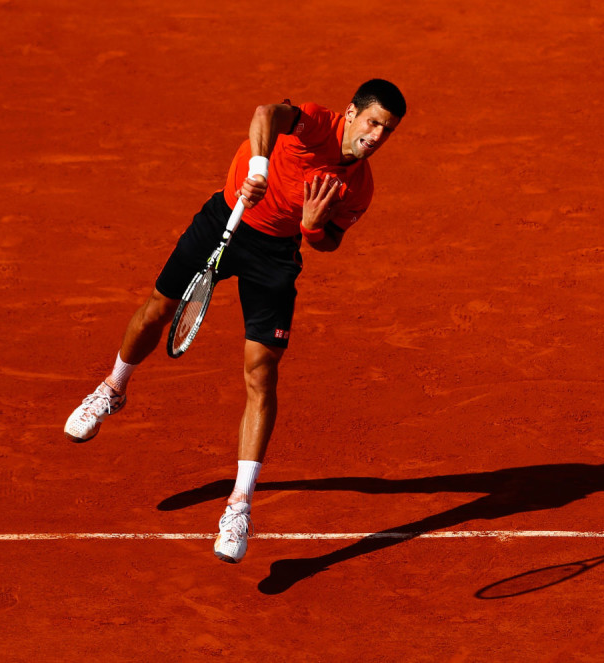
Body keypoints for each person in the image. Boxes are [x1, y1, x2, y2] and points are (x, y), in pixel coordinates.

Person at [64, 79, 406, 563]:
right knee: (157, 310)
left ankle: (239, 505)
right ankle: (112, 390)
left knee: (261, 372)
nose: (376, 135)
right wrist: (261, 166)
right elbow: (266, 113)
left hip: (276, 254)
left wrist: (311, 227)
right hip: (226, 216)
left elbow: (330, 241)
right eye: (372, 122)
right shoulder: (312, 122)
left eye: (387, 131)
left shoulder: (359, 186)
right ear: (350, 113)